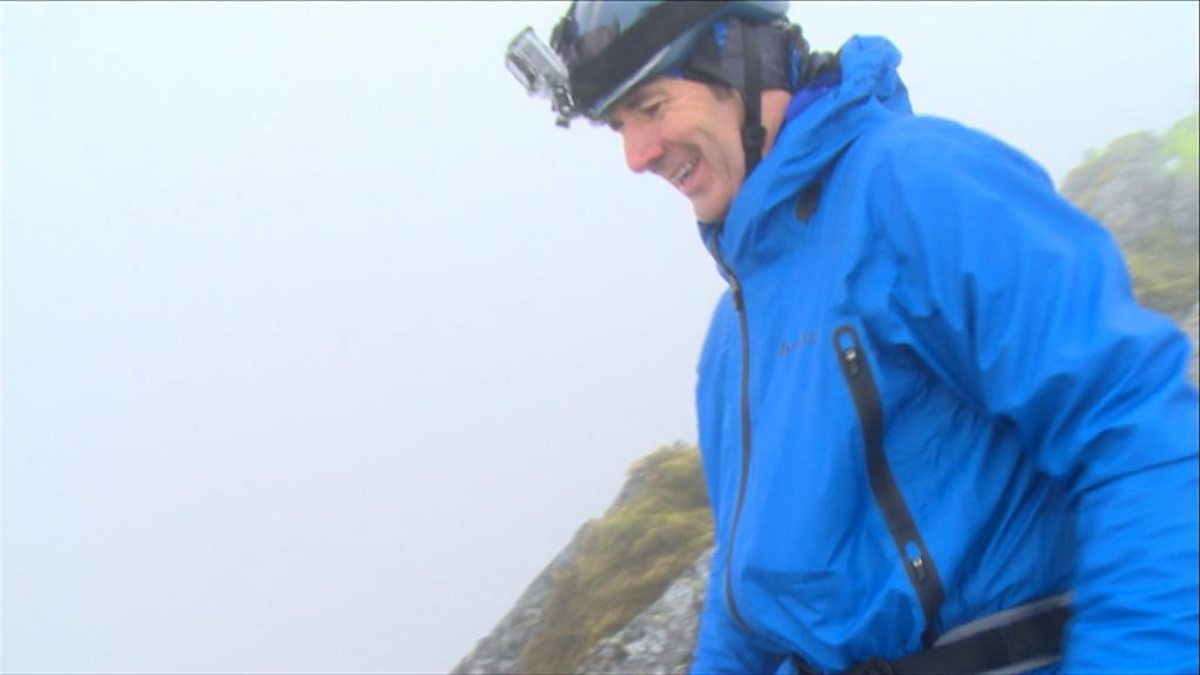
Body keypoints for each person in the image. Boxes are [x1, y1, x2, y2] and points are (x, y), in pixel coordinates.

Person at [505, 2, 1199, 673]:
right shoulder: (730, 340)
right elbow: (742, 597)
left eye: (652, 107)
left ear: (741, 57)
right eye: (619, 125)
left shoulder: (916, 184)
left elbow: (1139, 434)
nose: (636, 155)